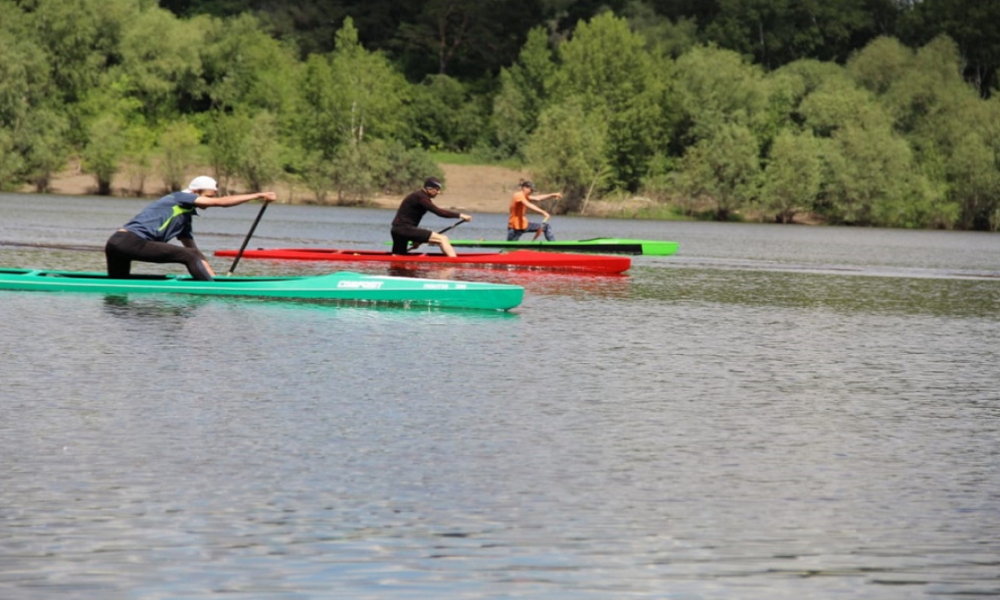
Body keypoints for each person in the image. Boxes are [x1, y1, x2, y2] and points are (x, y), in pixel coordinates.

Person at [104, 176, 276, 280]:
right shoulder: (180, 197)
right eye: (208, 196)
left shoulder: (184, 217)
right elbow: (221, 203)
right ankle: (210, 290)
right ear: (196, 192)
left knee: (118, 288)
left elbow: (194, 251)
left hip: (116, 243)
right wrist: (259, 195)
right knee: (189, 256)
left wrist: (212, 275)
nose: (209, 201)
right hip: (131, 241)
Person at [390, 176, 471, 256]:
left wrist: (415, 239)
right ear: (429, 189)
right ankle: (454, 264)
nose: (438, 192)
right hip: (405, 229)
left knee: (398, 256)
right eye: (437, 189)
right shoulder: (421, 198)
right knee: (442, 239)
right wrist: (460, 215)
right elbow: (440, 212)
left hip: (397, 230)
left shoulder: (417, 196)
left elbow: (408, 218)